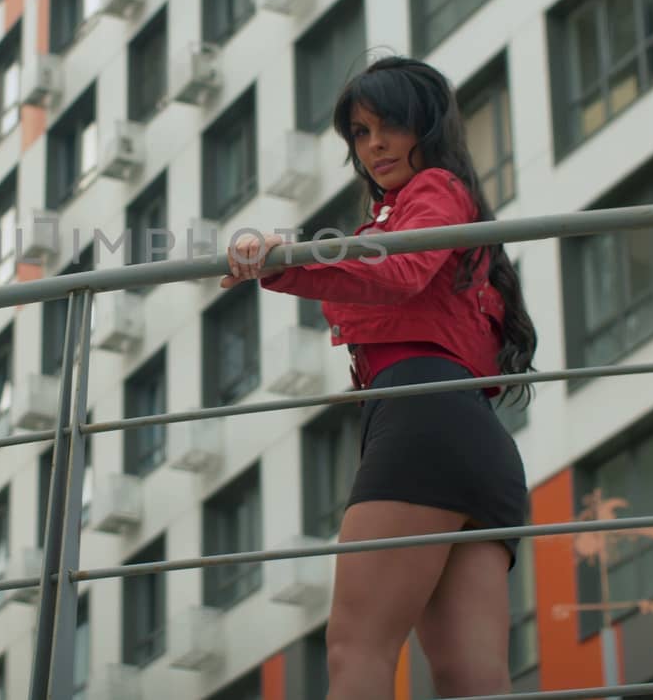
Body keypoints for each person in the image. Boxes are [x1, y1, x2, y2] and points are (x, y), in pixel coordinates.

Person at [221, 55, 537, 698]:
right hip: (473, 444)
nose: (375, 145)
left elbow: (395, 275)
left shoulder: (436, 191)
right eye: (360, 134)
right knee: (470, 678)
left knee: (356, 650)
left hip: (422, 419)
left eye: (389, 124)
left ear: (427, 124)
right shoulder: (420, 208)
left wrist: (282, 263)